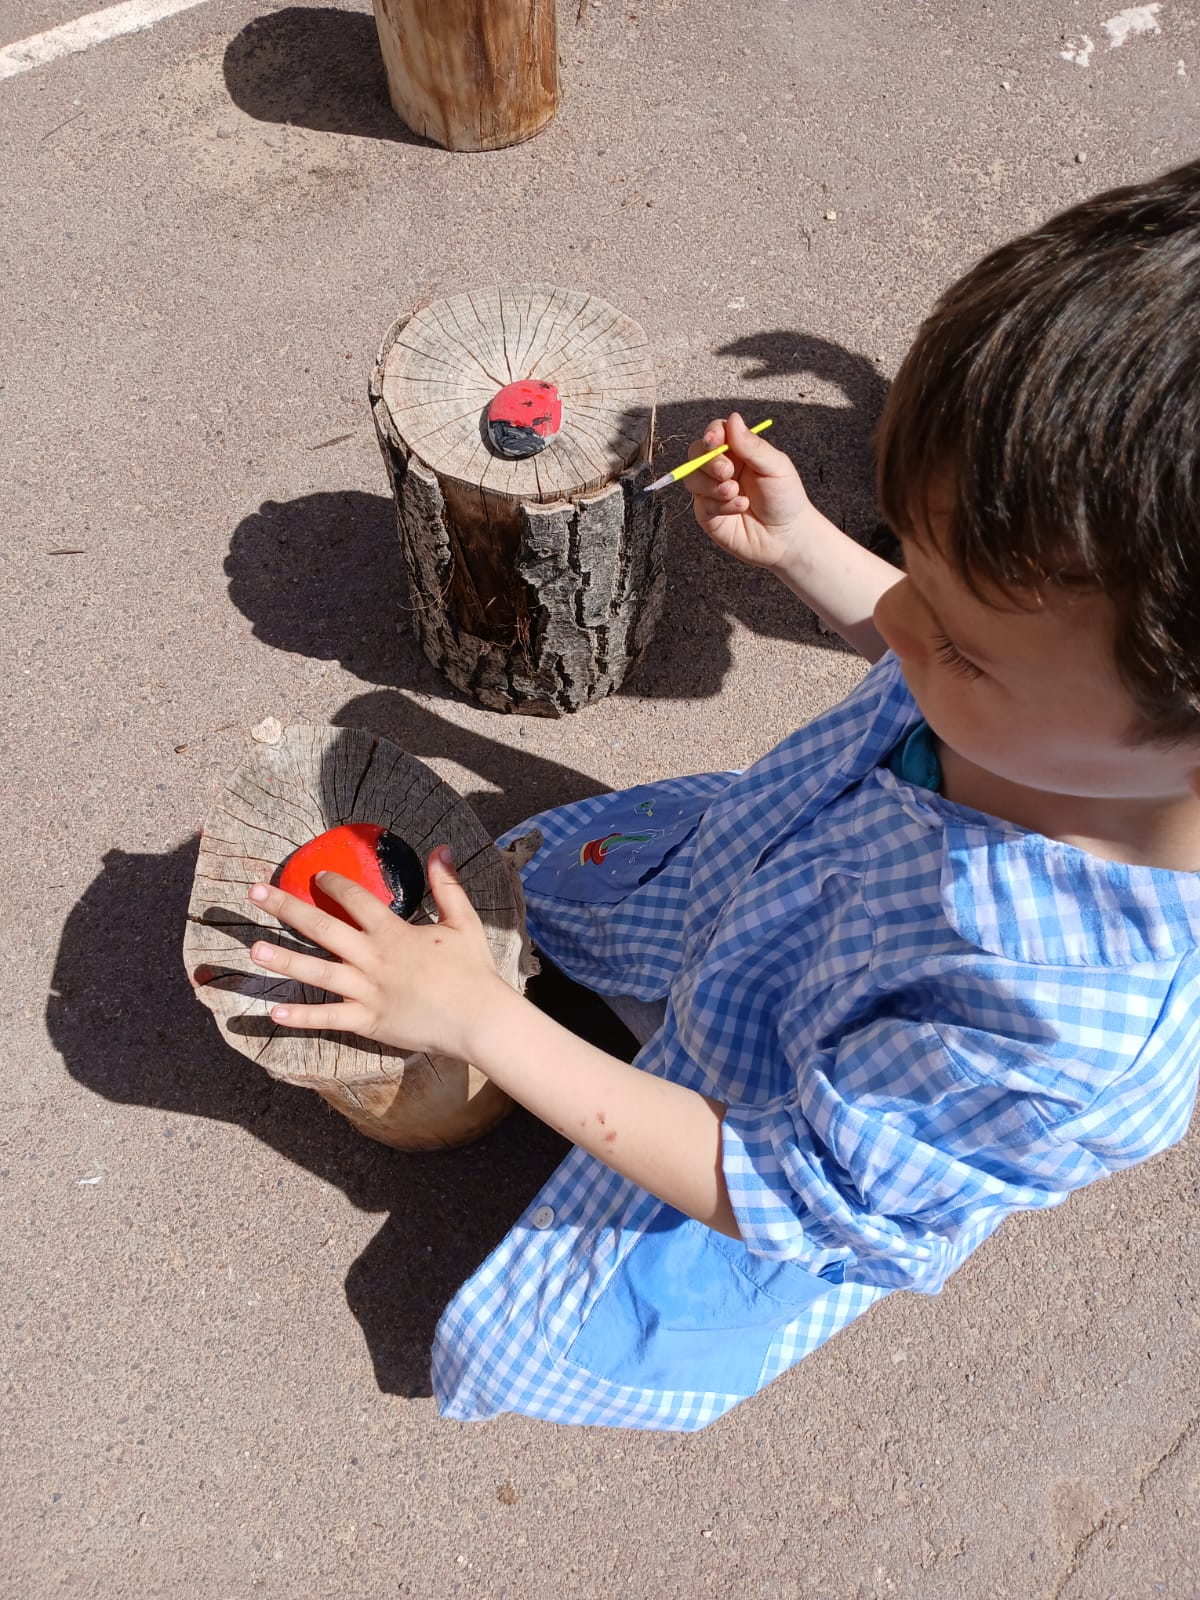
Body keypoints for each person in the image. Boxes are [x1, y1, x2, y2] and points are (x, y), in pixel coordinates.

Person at [246, 160, 1200, 1431]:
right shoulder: (1062, 700)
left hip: (752, 1126)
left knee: (594, 1280)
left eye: (961, 644)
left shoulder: (1072, 1034)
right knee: (598, 902)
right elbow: (927, 636)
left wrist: (484, 1022)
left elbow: (777, 1180)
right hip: (746, 884)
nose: (903, 621)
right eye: (915, 569)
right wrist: (813, 550)